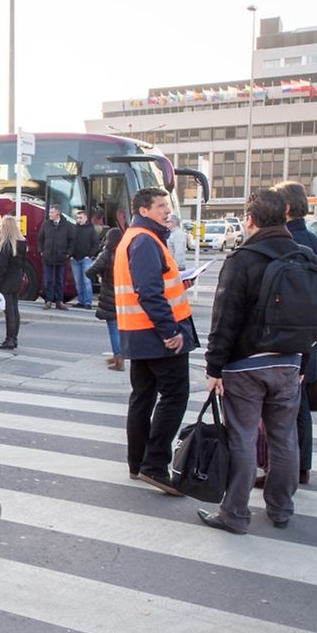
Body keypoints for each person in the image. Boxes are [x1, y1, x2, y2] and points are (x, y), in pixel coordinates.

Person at [197, 188, 317, 534]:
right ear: (284, 216)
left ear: (250, 219)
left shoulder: (242, 260)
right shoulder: (305, 256)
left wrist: (214, 367)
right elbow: (316, 315)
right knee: (283, 439)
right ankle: (281, 507)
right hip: (289, 362)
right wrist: (305, 360)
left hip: (246, 366)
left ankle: (235, 513)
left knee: (242, 437)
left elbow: (224, 319)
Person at [115, 187, 199, 495]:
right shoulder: (145, 241)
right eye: (161, 205)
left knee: (143, 397)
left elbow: (154, 285)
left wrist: (181, 281)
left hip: (140, 334)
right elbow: (148, 291)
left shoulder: (138, 238)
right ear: (145, 210)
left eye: (168, 205)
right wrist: (170, 331)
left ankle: (137, 463)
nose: (167, 210)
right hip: (157, 335)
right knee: (175, 395)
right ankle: (154, 465)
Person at [274, 179, 317, 486]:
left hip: (298, 331)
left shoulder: (295, 241)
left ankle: (296, 467)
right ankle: (299, 466)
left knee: (295, 402)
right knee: (298, 399)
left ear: (287, 208)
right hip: (309, 329)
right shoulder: (312, 240)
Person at [86, 227, 124, 371]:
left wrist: (101, 275)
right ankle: (118, 355)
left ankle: (118, 358)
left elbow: (89, 271)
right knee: (121, 328)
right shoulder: (125, 253)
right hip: (124, 295)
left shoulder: (106, 254)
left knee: (113, 328)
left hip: (109, 294)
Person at [0, 214, 26, 350]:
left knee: (9, 311)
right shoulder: (21, 242)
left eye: (1, 226)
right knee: (15, 310)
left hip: (7, 280)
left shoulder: (6, 244)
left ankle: (9, 339)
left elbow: (1, 268)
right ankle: (14, 338)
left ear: (5, 227)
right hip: (16, 277)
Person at [37, 203, 72, 309]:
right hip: (48, 256)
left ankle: (59, 301)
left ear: (58, 213)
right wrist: (41, 251)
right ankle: (48, 301)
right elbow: (40, 239)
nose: (50, 214)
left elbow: (71, 240)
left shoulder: (67, 225)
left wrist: (68, 253)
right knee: (48, 280)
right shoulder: (46, 224)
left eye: (52, 212)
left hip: (61, 257)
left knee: (59, 280)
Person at [69, 207, 100, 308]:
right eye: (77, 218)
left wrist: (90, 255)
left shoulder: (91, 230)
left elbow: (96, 244)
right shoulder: (73, 229)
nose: (79, 220)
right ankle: (81, 301)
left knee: (86, 281)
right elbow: (70, 242)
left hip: (86, 259)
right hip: (75, 259)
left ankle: (88, 302)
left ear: (86, 218)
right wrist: (70, 255)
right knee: (78, 282)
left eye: (81, 218)